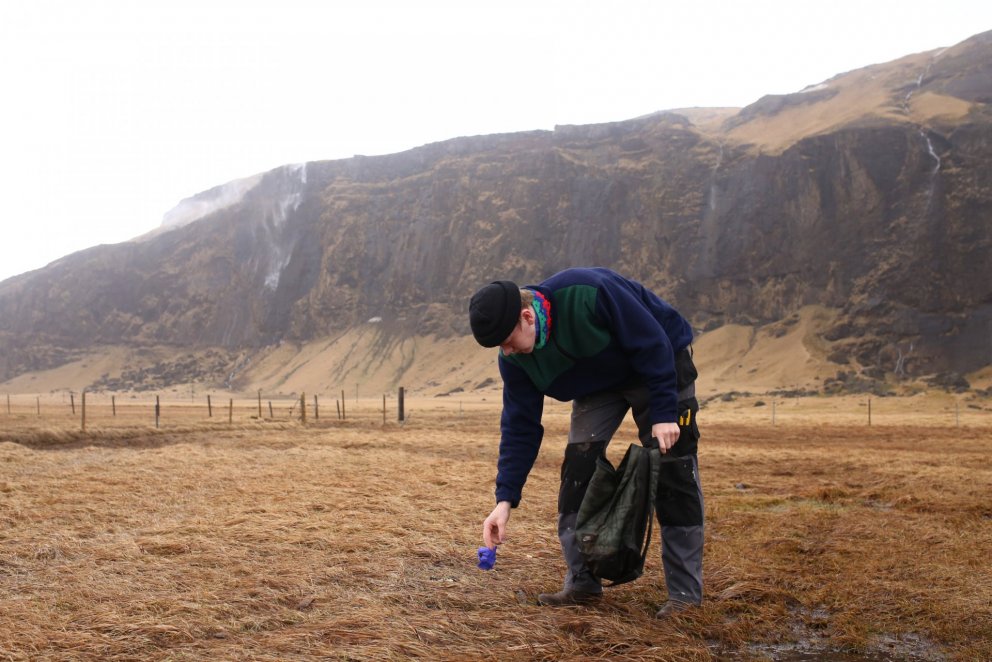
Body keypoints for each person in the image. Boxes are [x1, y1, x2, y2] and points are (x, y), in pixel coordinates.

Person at [469, 267, 703, 619]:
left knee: (674, 473)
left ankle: (685, 597)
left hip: (660, 362)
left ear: (527, 316)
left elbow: (652, 342)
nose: (507, 352)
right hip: (598, 383)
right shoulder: (515, 360)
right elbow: (520, 427)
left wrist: (665, 413)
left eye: (508, 340)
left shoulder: (588, 293)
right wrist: (505, 500)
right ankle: (583, 585)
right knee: (578, 474)